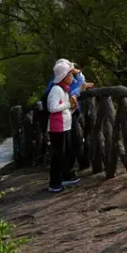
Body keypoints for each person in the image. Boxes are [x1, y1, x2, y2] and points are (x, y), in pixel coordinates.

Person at [43, 59, 94, 169]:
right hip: (60, 121)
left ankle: (68, 170)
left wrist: (79, 74)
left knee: (72, 142)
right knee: (68, 145)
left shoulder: (65, 82)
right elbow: (58, 104)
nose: (72, 72)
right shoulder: (57, 86)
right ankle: (68, 170)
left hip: (69, 115)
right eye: (70, 71)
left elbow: (80, 83)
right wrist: (78, 92)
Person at [47, 60, 82, 192]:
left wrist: (72, 107)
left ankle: (65, 176)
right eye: (70, 75)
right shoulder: (56, 90)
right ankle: (54, 184)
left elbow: (64, 110)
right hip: (58, 128)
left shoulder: (64, 89)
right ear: (64, 77)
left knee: (66, 154)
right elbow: (52, 108)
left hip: (64, 126)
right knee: (58, 156)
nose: (72, 77)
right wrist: (68, 104)